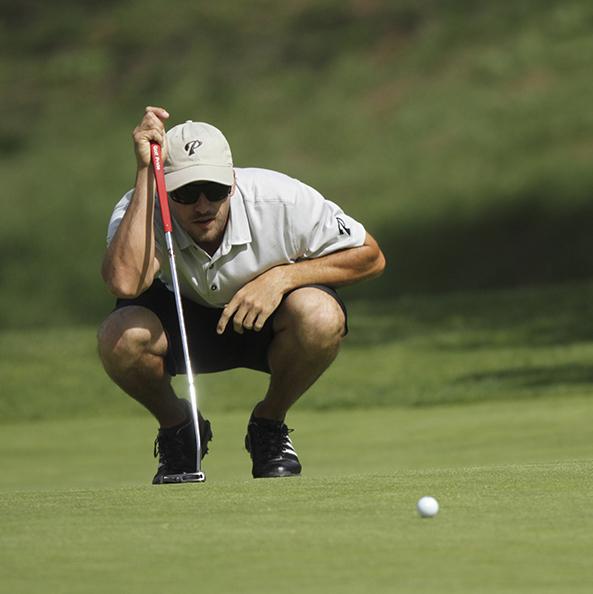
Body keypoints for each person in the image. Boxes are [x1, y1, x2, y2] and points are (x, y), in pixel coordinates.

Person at [98, 106, 386, 483]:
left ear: (232, 182)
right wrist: (143, 174)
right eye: (185, 193)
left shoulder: (282, 199)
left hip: (265, 322)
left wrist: (282, 278)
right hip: (181, 328)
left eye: (214, 190)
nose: (202, 205)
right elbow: (124, 283)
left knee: (320, 315)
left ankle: (269, 425)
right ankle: (180, 430)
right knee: (119, 336)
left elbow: (371, 256)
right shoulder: (140, 206)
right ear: (165, 188)